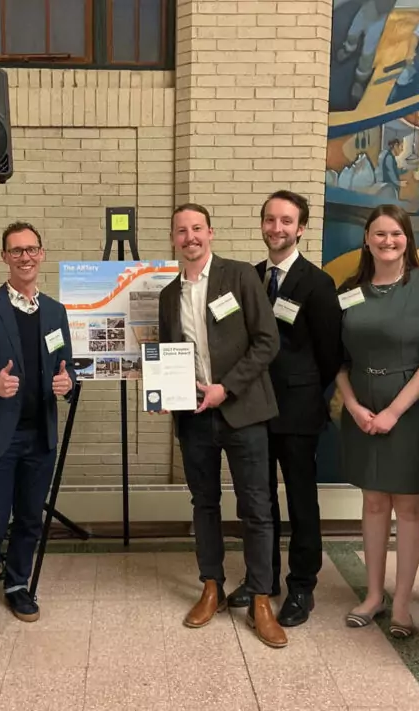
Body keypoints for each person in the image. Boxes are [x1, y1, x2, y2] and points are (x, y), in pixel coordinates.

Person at [158, 203, 286, 648]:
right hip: (194, 418)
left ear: (210, 232)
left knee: (257, 506)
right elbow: (168, 354)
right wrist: (164, 394)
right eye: (181, 230)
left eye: (197, 228)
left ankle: (262, 598)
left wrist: (224, 388)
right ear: (173, 238)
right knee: (204, 504)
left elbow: (267, 341)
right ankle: (210, 585)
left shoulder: (240, 277)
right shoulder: (167, 294)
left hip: (243, 410)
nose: (190, 237)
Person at [335, 204, 419, 638]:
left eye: (396, 234)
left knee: (408, 506)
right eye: (379, 234)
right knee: (372, 503)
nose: (388, 241)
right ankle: (373, 595)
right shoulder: (350, 290)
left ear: (407, 238)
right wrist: (351, 405)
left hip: (414, 411)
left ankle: (402, 604)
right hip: (362, 408)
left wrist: (393, 411)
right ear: (366, 239)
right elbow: (339, 358)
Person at [226, 191, 342, 628]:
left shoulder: (318, 282)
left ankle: (301, 586)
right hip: (253, 408)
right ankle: (264, 579)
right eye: (270, 220)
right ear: (262, 225)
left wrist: (305, 388)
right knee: (260, 500)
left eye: (286, 221)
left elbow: (330, 353)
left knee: (300, 500)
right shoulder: (249, 277)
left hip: (297, 412)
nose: (277, 228)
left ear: (301, 229)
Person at [0, 222, 76, 639]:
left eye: (32, 249)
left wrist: (67, 383)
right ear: (4, 257)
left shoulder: (56, 311)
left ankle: (19, 585)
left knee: (28, 518)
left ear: (42, 254)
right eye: (16, 250)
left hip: (39, 434)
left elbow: (67, 366)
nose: (25, 257)